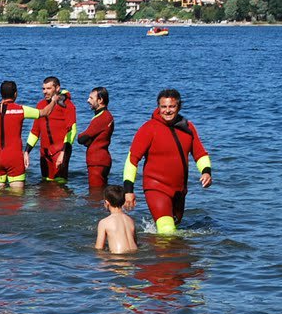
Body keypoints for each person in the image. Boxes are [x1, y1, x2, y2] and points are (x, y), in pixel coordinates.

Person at [121, 88, 212, 235]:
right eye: (163, 107)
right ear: (158, 107)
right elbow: (132, 160)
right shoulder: (148, 128)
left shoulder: (188, 127)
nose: (167, 111)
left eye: (172, 106)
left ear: (179, 106)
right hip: (155, 187)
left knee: (173, 231)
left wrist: (206, 172)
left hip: (179, 192)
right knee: (167, 232)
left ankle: (155, 253)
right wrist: (128, 191)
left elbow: (200, 153)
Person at [0, 80, 50, 190]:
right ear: (15, 94)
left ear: (1, 94)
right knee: (17, 197)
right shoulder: (20, 110)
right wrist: (54, 100)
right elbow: (44, 112)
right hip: (14, 157)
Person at [26, 76, 78, 181]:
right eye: (43, 89)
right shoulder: (40, 105)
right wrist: (26, 151)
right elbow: (35, 131)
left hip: (60, 151)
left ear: (57, 88)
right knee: (45, 185)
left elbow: (72, 130)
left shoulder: (67, 105)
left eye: (49, 88)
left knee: (59, 186)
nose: (45, 92)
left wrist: (63, 152)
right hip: (44, 153)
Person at [74, 86, 115, 189]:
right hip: (100, 161)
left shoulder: (103, 117)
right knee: (100, 193)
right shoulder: (102, 115)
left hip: (98, 162)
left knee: (95, 194)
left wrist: (84, 138)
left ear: (100, 100)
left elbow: (82, 138)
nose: (88, 100)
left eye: (91, 98)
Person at [95, 185, 139, 254]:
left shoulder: (104, 222)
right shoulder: (130, 220)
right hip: (134, 257)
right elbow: (136, 243)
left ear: (106, 202)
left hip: (118, 259)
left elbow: (99, 248)